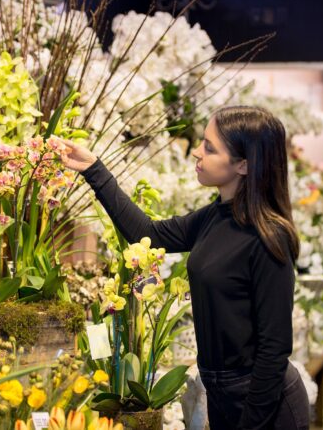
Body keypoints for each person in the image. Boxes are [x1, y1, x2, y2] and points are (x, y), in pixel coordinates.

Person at [59, 105, 310, 430]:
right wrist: (93, 169)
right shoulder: (215, 215)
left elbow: (274, 350)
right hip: (221, 392)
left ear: (244, 164)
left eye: (209, 147)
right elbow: (148, 234)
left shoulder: (267, 238)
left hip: (263, 402)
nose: (196, 152)